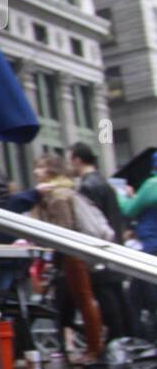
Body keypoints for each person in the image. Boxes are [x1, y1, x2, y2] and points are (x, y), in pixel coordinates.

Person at [29, 154, 104, 363]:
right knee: (81, 298)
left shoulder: (58, 195)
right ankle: (92, 346)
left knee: (84, 298)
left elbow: (65, 228)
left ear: (51, 171)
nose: (36, 172)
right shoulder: (56, 193)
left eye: (40, 167)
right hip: (69, 254)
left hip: (72, 253)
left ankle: (95, 348)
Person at [69, 141, 134, 339]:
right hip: (113, 250)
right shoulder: (104, 183)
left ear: (77, 160)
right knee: (119, 301)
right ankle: (127, 345)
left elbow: (91, 225)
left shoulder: (88, 187)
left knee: (109, 303)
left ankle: (118, 346)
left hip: (101, 253)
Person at [119, 151, 157, 327]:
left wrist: (121, 194)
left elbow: (129, 209)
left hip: (152, 247)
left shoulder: (152, 184)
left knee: (139, 297)